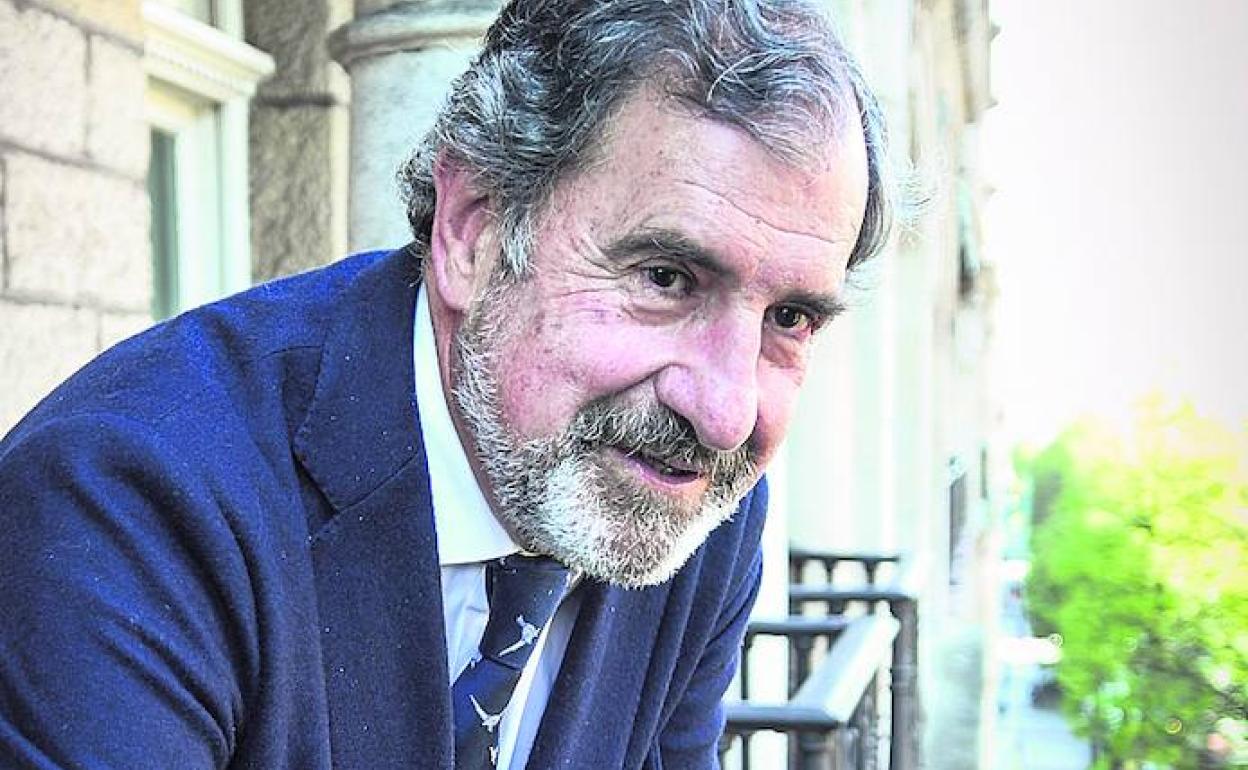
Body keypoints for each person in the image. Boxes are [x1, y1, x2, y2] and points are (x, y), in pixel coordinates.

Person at [0, 0, 893, 767]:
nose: (728, 414)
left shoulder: (694, 505)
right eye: (666, 278)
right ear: (471, 230)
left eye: (791, 318)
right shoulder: (123, 506)